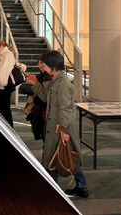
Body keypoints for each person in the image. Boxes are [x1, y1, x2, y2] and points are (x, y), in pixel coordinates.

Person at [27, 50, 89, 198]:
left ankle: (56, 188)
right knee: (62, 155)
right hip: (56, 126)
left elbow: (65, 108)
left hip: (59, 127)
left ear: (53, 65)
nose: (43, 66)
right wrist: (36, 84)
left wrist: (64, 129)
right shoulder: (56, 80)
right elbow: (47, 98)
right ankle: (78, 186)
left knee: (63, 155)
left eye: (46, 64)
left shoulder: (63, 84)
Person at [19, 54, 52, 140]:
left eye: (44, 63)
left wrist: (34, 86)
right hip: (40, 110)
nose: (42, 65)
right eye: (40, 63)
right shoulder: (41, 75)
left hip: (45, 111)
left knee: (46, 136)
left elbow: (45, 96)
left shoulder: (49, 77)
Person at [0, 39, 17, 127]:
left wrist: (0, 84)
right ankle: (5, 127)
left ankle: (8, 127)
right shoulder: (4, 55)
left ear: (1, 46)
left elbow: (4, 72)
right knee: (3, 108)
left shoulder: (7, 55)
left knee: (5, 108)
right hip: (3, 86)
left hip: (5, 86)